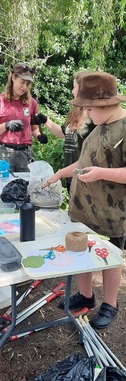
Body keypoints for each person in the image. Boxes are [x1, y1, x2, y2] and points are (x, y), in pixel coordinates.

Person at [43, 72, 126, 329]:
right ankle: (86, 297)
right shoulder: (100, 126)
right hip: (84, 212)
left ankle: (110, 304)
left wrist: (101, 173)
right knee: (82, 253)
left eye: (90, 108)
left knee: (110, 260)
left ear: (106, 105)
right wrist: (59, 174)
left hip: (111, 214)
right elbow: (84, 161)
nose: (87, 114)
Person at [0, 63, 51, 172]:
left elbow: (34, 128)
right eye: (22, 82)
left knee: (27, 186)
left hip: (25, 154)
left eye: (28, 84)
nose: (24, 87)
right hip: (3, 152)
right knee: (4, 186)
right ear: (13, 78)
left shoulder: (32, 103)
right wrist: (7, 125)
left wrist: (39, 137)